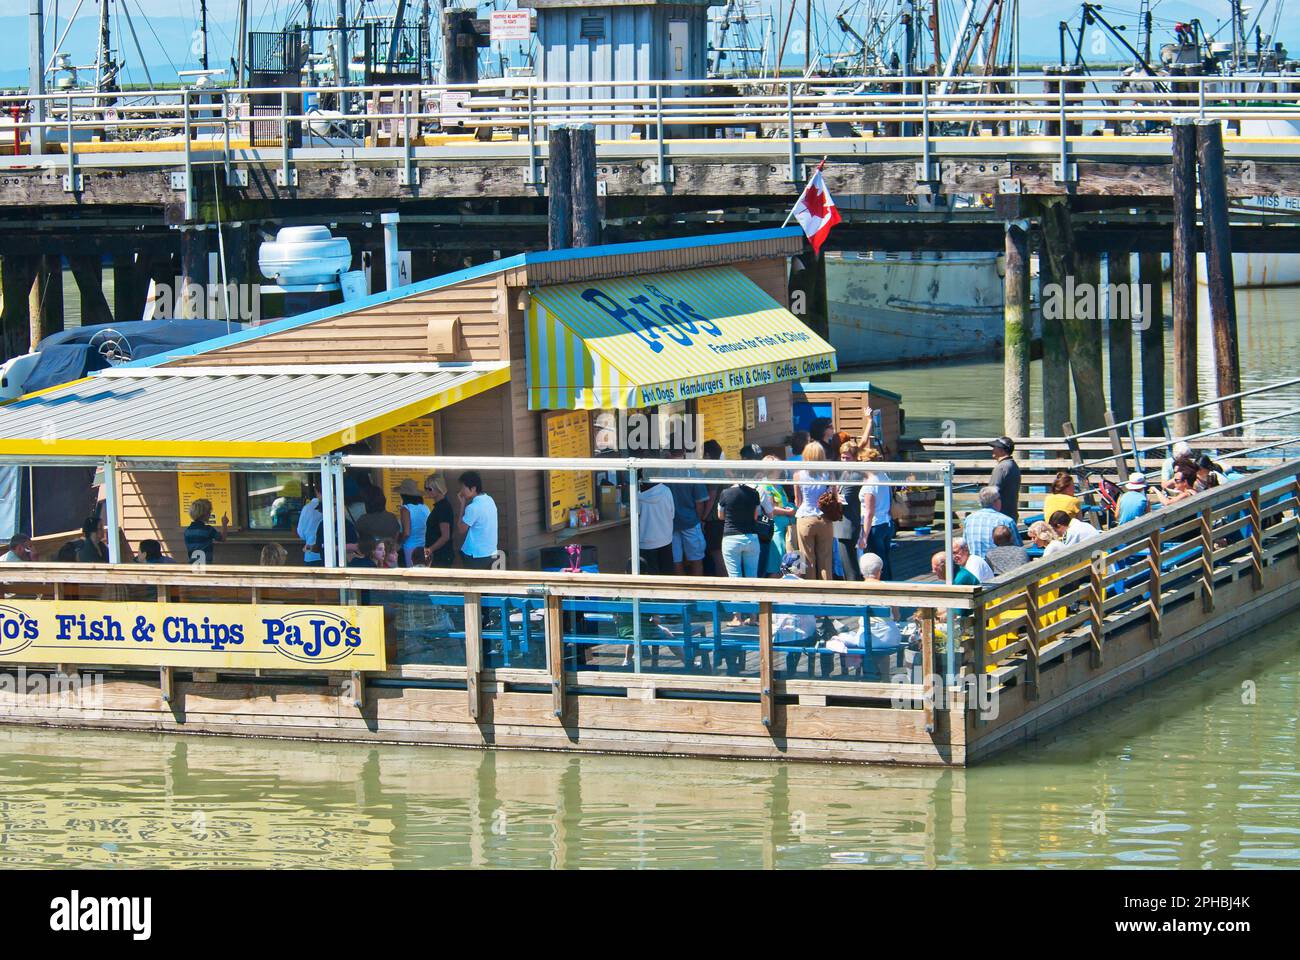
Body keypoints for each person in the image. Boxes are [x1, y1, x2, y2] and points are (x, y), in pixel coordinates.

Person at [824, 552, 903, 680]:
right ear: (879, 571)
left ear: (862, 572)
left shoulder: (856, 589)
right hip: (889, 638)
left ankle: (870, 677)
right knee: (882, 644)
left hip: (865, 639)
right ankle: (885, 679)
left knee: (866, 641)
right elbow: (897, 616)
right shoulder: (889, 588)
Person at [793, 442, 836, 580]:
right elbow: (834, 496)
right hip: (824, 517)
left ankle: (810, 593)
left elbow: (798, 501)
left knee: (807, 559)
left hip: (805, 517)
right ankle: (827, 592)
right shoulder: (828, 473)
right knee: (825, 559)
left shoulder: (798, 475)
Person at [667, 448, 709, 576]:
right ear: (684, 451)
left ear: (669, 452)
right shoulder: (692, 471)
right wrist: (699, 519)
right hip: (691, 521)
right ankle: (697, 594)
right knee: (696, 560)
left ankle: (681, 595)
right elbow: (699, 502)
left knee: (676, 561)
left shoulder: (662, 470)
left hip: (670, 523)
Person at [856, 447, 895, 580]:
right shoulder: (883, 476)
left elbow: (869, 512)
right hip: (887, 522)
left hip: (875, 526)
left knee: (875, 563)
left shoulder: (870, 485)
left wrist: (864, 537)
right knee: (886, 561)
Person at [717, 470, 762, 578]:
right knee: (752, 577)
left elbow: (720, 515)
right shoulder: (754, 493)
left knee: (734, 577)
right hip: (751, 537)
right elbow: (756, 516)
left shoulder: (725, 493)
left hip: (731, 538)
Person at [758, 456, 796, 577]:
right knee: (777, 566)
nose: (781, 470)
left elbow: (784, 503)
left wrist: (792, 507)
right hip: (776, 530)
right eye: (778, 467)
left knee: (792, 567)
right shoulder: (766, 486)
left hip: (788, 529)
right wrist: (788, 512)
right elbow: (771, 508)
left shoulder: (778, 485)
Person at [962, 485, 1021, 557]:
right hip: (998, 565)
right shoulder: (1006, 521)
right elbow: (1018, 547)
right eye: (999, 498)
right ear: (995, 501)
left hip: (974, 565)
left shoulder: (969, 519)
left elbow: (964, 544)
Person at [457, 471, 498, 570]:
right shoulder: (489, 500)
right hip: (491, 552)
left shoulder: (472, 507)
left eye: (463, 488)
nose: (461, 491)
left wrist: (462, 505)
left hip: (475, 555)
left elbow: (461, 529)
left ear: (473, 488)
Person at [835, 438, 863, 581]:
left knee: (849, 563)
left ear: (855, 458)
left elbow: (844, 499)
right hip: (842, 524)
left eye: (848, 458)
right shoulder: (843, 472)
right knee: (845, 562)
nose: (844, 461)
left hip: (848, 524)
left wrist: (832, 496)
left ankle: (854, 592)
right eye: (842, 457)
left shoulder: (855, 474)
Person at [636, 477, 676, 574]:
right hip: (666, 540)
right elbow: (672, 514)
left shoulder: (637, 497)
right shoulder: (666, 491)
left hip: (645, 544)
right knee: (667, 577)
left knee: (650, 581)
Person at [700, 439, 726, 577]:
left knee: (717, 554)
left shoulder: (711, 473)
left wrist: (703, 518)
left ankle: (724, 584)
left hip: (714, 520)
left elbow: (711, 497)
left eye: (703, 454)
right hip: (724, 518)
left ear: (708, 455)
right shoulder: (724, 470)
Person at [395, 479, 430, 567]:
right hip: (424, 546)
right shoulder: (425, 508)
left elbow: (406, 533)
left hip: (410, 547)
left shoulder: (405, 509)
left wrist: (398, 544)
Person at [422, 473, 455, 567]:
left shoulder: (443, 507)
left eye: (429, 489)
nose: (426, 491)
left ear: (438, 489)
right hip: (437, 554)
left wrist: (430, 550)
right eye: (425, 488)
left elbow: (445, 536)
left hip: (441, 556)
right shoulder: (439, 507)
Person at [989, 436, 1021, 526]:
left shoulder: (1001, 467)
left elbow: (992, 493)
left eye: (995, 447)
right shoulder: (1012, 465)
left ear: (1002, 450)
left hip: (1000, 518)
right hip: (1010, 515)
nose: (993, 450)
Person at [297, 481, 324, 565]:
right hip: (333, 554)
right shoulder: (337, 507)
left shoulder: (307, 508)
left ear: (316, 491)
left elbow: (301, 532)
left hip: (311, 555)